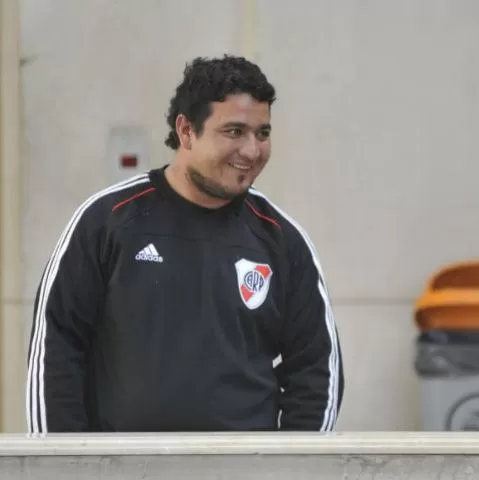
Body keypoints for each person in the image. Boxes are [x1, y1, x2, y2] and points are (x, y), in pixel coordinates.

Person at [25, 55, 344, 432]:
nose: (252, 151)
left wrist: (291, 467)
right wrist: (64, 467)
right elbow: (57, 349)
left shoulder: (283, 241)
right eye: (234, 131)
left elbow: (317, 372)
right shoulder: (107, 222)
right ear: (186, 130)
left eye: (262, 133)